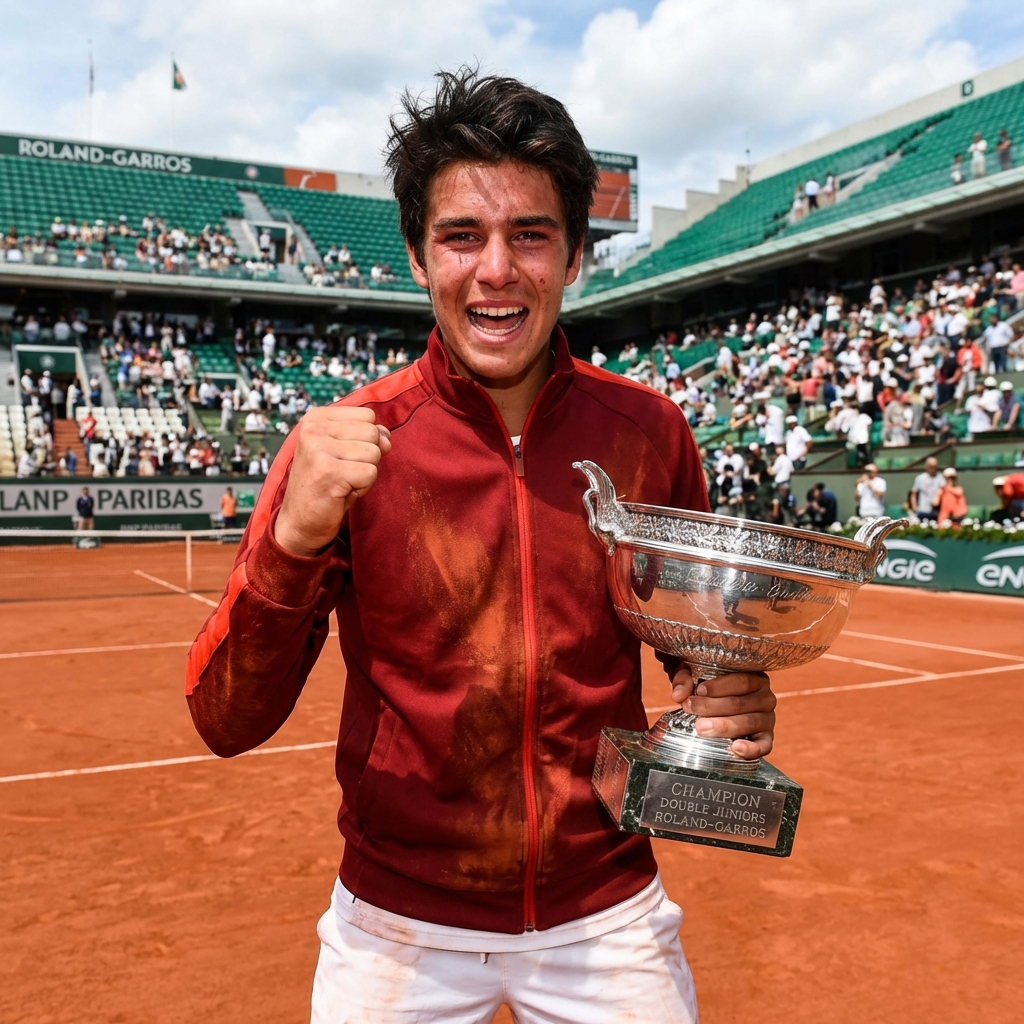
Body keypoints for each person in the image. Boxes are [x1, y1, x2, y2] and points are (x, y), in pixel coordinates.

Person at [185, 69, 777, 1024]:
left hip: (606, 916)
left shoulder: (650, 433)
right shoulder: (340, 443)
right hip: (395, 928)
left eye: (530, 235)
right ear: (420, 259)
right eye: (462, 236)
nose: (496, 270)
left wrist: (730, 696)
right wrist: (294, 540)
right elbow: (224, 720)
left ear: (577, 253)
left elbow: (694, 652)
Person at [910, 457, 944, 522]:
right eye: (931, 466)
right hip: (922, 510)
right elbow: (913, 494)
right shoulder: (920, 478)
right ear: (926, 466)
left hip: (935, 512)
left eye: (935, 466)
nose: (933, 468)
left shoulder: (941, 478)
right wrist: (914, 507)